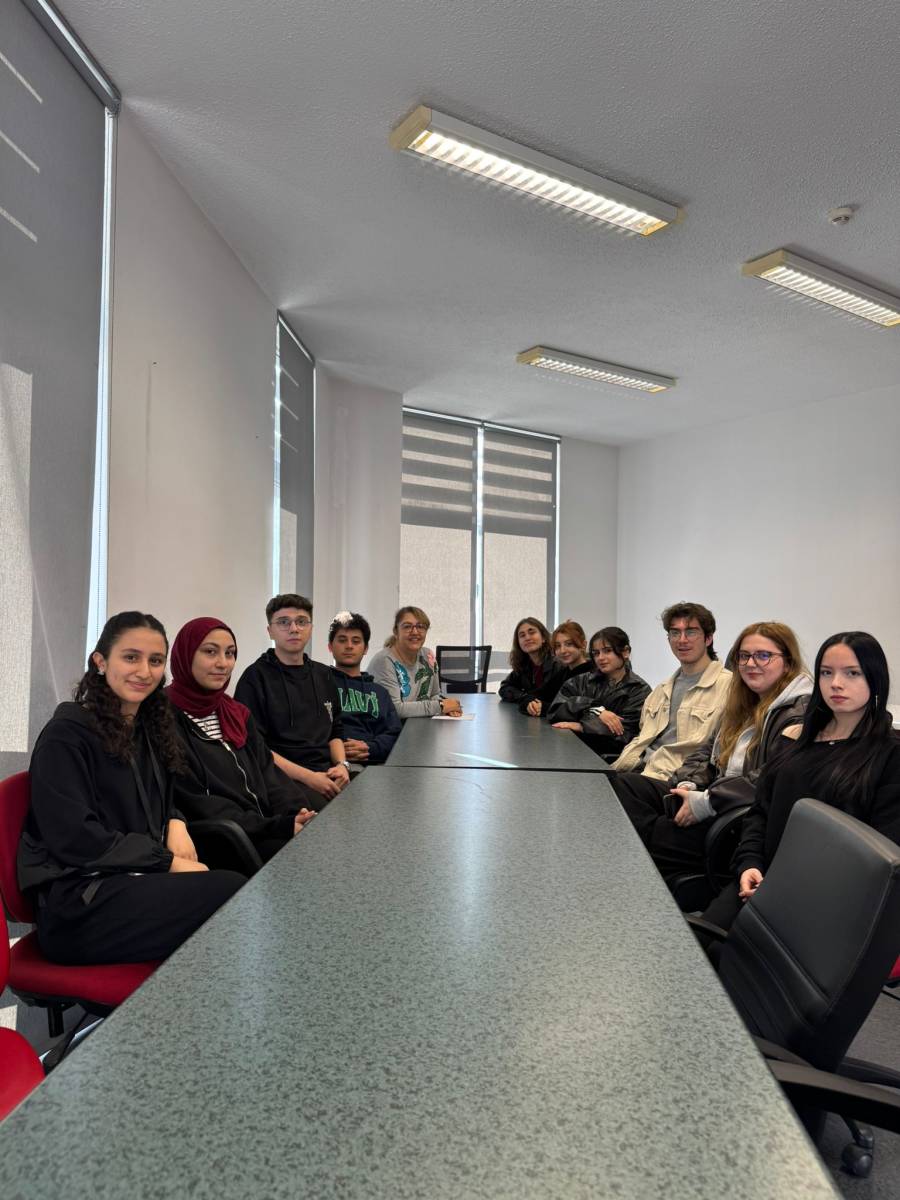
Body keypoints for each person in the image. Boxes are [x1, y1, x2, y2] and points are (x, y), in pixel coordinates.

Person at [17, 612, 244, 965]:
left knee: (237, 878)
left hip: (130, 879)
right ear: (100, 661)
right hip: (78, 905)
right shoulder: (67, 735)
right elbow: (75, 838)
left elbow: (159, 796)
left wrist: (176, 820)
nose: (144, 671)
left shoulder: (145, 727)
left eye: (155, 661)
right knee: (230, 892)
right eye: (131, 657)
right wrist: (167, 862)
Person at [703, 631, 900, 932]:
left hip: (826, 902)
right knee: (696, 943)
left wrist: (790, 888)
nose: (836, 683)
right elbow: (760, 812)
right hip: (760, 880)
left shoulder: (889, 753)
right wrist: (749, 863)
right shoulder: (796, 740)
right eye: (826, 672)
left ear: (875, 678)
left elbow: (881, 852)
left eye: (852, 673)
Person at [613, 622, 812, 880]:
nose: (751, 663)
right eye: (744, 656)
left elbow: (769, 778)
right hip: (712, 794)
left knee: (649, 831)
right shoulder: (743, 702)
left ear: (787, 662)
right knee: (623, 786)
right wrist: (688, 784)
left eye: (763, 655)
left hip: (739, 817)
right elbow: (705, 752)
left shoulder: (798, 713)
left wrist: (707, 801)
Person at [167, 617, 317, 862]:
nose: (223, 663)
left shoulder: (235, 713)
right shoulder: (163, 718)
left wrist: (296, 812)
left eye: (230, 653)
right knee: (309, 860)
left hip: (264, 827)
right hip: (224, 838)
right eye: (210, 652)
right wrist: (277, 826)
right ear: (185, 655)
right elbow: (198, 803)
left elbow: (268, 772)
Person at [234, 594, 350, 804]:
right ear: (270, 631)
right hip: (281, 779)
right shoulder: (255, 678)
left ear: (311, 628)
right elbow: (256, 748)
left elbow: (335, 731)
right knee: (329, 812)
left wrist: (342, 765)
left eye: (301, 622)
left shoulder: (324, 675)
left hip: (327, 773)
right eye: (283, 622)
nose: (294, 629)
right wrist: (310, 778)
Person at [609, 602, 731, 782]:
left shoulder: (728, 686)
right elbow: (642, 738)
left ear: (708, 638)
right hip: (636, 769)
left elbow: (713, 749)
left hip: (674, 778)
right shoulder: (660, 691)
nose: (682, 640)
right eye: (675, 633)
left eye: (691, 632)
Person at [548, 626, 651, 755]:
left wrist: (581, 726)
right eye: (596, 653)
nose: (600, 658)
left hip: (611, 759)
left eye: (607, 651)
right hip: (570, 751)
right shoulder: (581, 681)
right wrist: (594, 709)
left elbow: (625, 732)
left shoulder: (639, 689)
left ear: (625, 652)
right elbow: (555, 711)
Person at [328, 610, 402, 766]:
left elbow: (394, 735)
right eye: (342, 640)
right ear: (330, 646)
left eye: (356, 641)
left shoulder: (379, 693)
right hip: (329, 764)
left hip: (372, 764)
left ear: (366, 648)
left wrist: (370, 748)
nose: (349, 646)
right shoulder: (318, 683)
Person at [367, 606, 462, 718]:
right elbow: (395, 709)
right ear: (396, 631)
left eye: (420, 626)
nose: (415, 632)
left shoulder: (428, 656)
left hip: (418, 723)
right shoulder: (384, 661)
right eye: (407, 626)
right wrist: (440, 706)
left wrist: (448, 707)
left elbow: (434, 694)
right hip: (391, 727)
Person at [498, 618, 563, 713]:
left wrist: (534, 702)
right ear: (519, 643)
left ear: (543, 638)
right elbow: (505, 687)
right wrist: (524, 697)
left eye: (532, 632)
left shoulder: (559, 664)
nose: (527, 638)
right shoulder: (524, 665)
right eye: (522, 635)